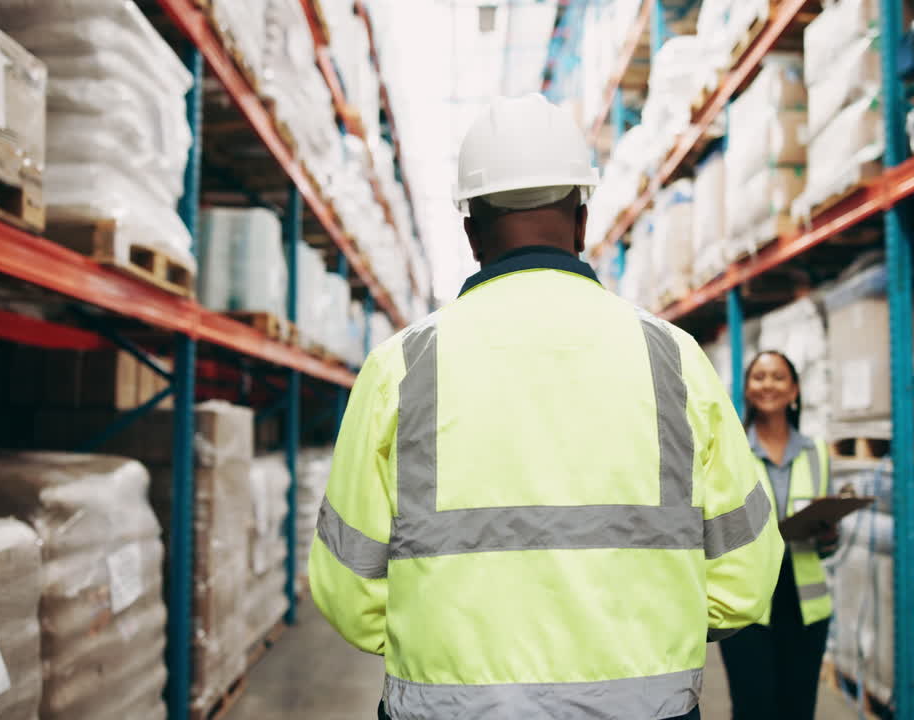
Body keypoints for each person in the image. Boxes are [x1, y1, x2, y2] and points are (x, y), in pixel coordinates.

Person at [308, 93, 784, 720]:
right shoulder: (672, 358)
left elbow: (348, 591)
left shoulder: (400, 368)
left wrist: (438, 645)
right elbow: (745, 577)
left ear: (470, 230)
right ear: (582, 221)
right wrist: (649, 637)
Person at [719, 350, 839, 720]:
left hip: (805, 606)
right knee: (753, 708)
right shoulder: (730, 449)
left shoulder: (817, 452)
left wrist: (828, 534)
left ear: (794, 391)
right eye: (758, 377)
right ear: (747, 390)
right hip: (748, 607)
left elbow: (829, 547)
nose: (767, 384)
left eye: (777, 377)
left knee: (798, 709)